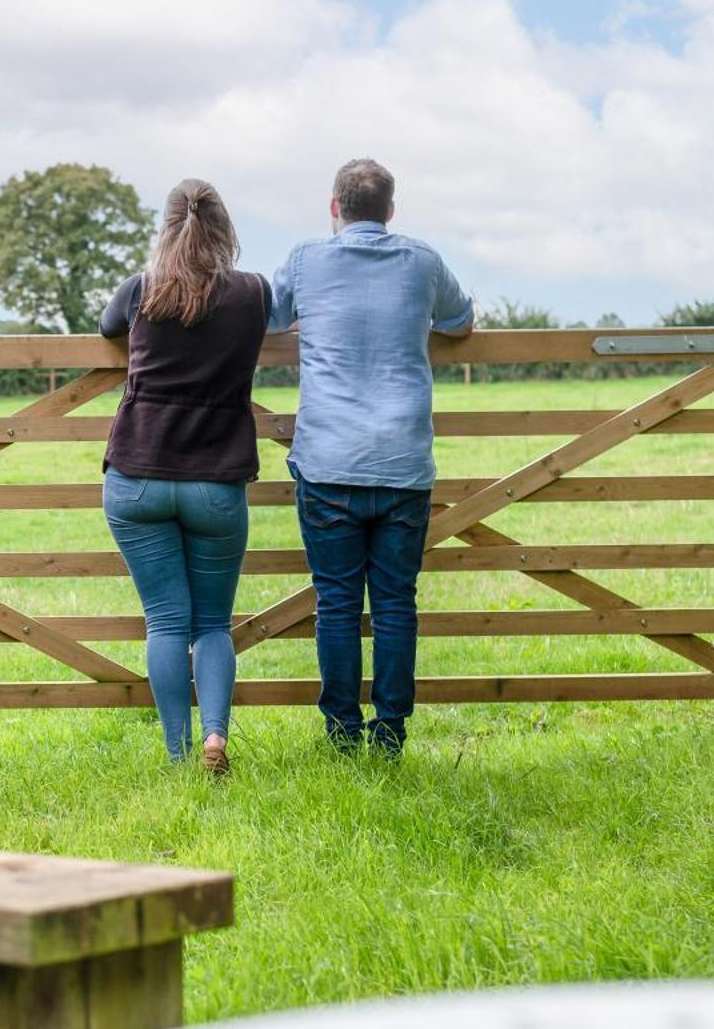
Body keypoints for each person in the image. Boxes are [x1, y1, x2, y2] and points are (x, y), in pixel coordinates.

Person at [269, 158, 473, 757]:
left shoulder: (307, 260)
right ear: (390, 210)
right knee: (394, 604)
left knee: (335, 602)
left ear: (335, 207)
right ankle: (390, 734)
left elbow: (271, 316)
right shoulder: (424, 261)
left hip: (328, 459)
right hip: (403, 462)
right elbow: (460, 321)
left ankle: (341, 735)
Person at [99, 179, 270, 773]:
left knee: (166, 622)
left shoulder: (140, 291)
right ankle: (215, 740)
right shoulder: (254, 293)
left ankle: (175, 755)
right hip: (216, 478)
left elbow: (105, 327)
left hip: (138, 473)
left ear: (167, 227)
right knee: (213, 624)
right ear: (225, 230)